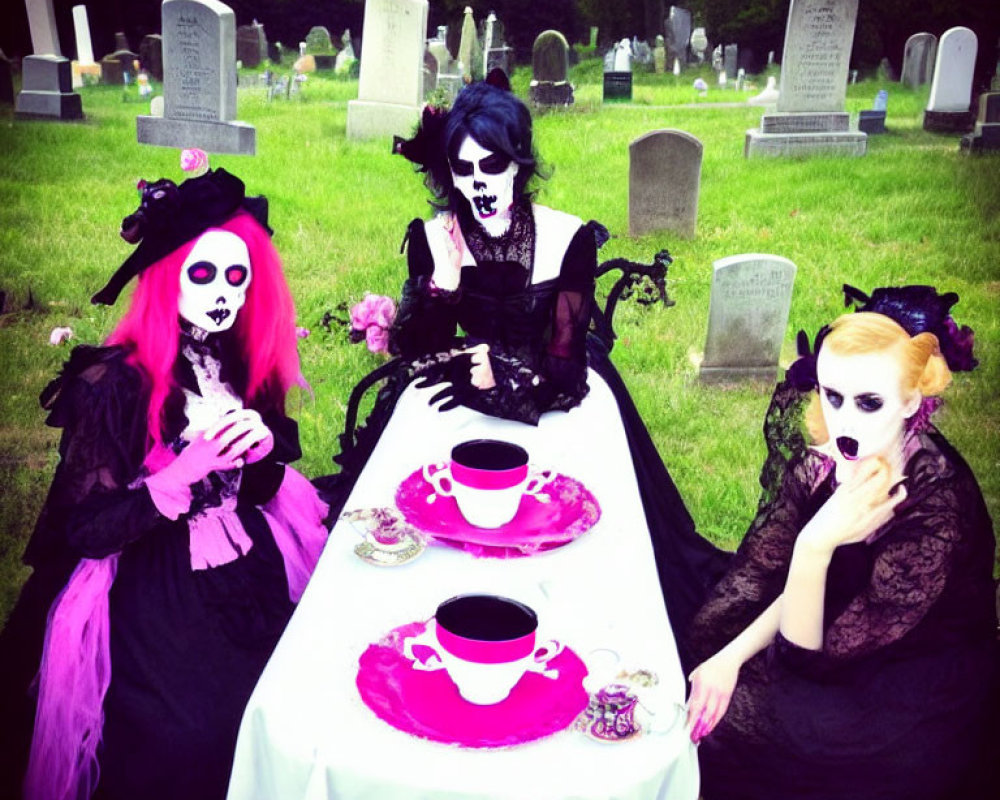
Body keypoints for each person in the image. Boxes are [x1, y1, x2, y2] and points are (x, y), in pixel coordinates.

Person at [323, 74, 726, 647]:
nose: (479, 184)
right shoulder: (436, 235)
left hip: (552, 387)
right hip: (458, 379)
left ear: (519, 164)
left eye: (493, 166)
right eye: (464, 170)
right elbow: (417, 347)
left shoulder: (567, 238)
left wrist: (508, 375)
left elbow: (565, 371)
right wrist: (442, 280)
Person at [0, 167, 328, 800]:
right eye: (201, 274)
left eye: (238, 275)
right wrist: (172, 478)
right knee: (197, 732)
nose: (223, 292)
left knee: (294, 691)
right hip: (153, 582)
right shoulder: (115, 385)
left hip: (248, 556)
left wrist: (259, 454)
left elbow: (258, 490)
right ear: (167, 275)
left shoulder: (238, 359)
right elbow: (84, 527)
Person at [685, 285, 998, 800]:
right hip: (824, 621)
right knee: (707, 655)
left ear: (911, 400)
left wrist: (814, 546)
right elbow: (792, 587)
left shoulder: (937, 509)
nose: (844, 423)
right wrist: (730, 656)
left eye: (869, 403)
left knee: (735, 726)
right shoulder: (830, 462)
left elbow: (808, 663)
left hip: (905, 680)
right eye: (832, 396)